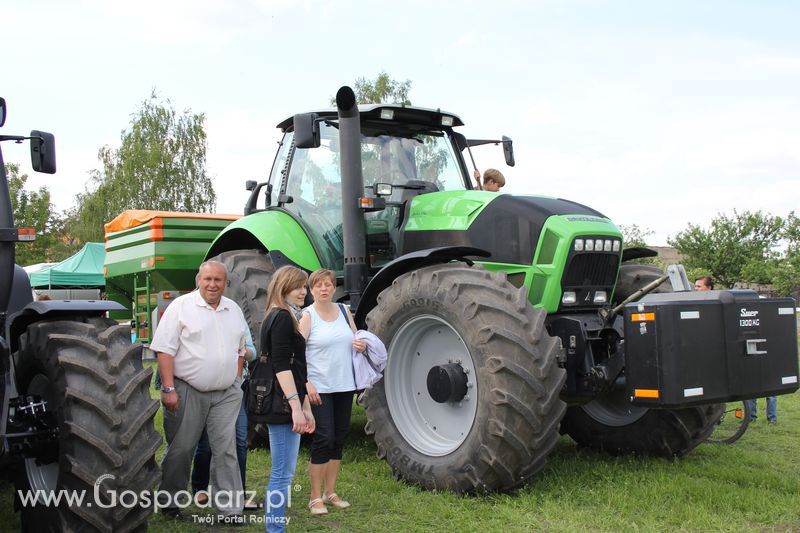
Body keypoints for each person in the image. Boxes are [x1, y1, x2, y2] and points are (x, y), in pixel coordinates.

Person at [150, 260, 247, 518]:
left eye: (218, 280)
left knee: (225, 449)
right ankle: (170, 502)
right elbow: (164, 350)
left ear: (225, 283)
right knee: (182, 448)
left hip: (226, 393)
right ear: (198, 280)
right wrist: (169, 388)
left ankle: (230, 509)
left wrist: (235, 379)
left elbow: (241, 347)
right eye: (208, 279)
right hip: (187, 389)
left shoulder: (233, 309)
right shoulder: (181, 307)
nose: (213, 284)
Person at [299, 269, 365, 515]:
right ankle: (314, 497)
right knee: (324, 437)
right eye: (319, 285)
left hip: (344, 384)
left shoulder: (344, 311)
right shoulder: (308, 316)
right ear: (311, 289)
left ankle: (331, 491)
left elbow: (355, 337)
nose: (324, 289)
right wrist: (306, 383)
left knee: (339, 437)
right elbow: (297, 353)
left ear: (334, 288)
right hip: (320, 388)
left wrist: (360, 344)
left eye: (328, 284)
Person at [263, 266, 316, 532]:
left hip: (288, 401)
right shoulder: (282, 317)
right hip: (283, 405)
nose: (304, 292)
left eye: (305, 287)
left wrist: (305, 406)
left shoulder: (280, 315)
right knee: (282, 474)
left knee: (283, 473)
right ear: (284, 286)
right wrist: (297, 407)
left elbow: (296, 369)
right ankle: (275, 529)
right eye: (299, 287)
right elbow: (281, 367)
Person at [191, 321, 257, 508]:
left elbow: (253, 352)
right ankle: (200, 487)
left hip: (234, 388)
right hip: (208, 388)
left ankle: (240, 493)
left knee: (239, 440)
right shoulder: (201, 319)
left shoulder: (236, 318)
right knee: (207, 443)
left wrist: (243, 350)